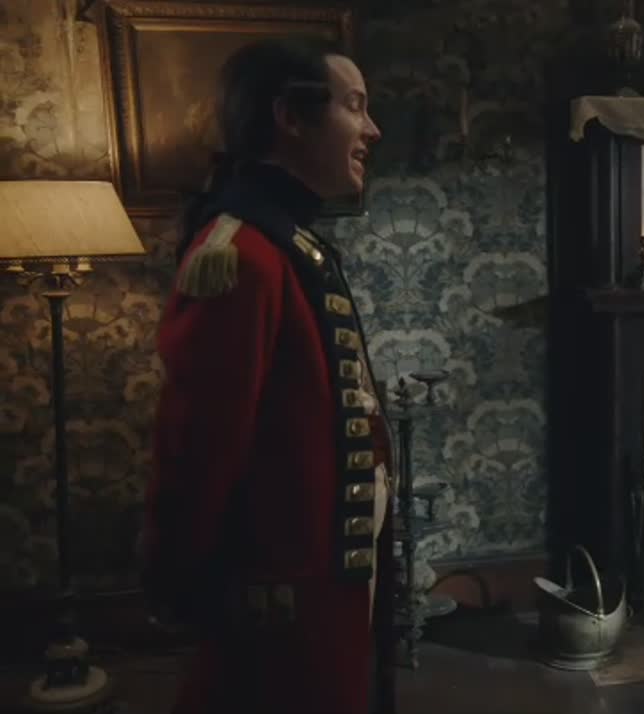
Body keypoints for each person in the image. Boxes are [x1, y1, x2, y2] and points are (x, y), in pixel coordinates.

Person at [140, 37, 391, 714]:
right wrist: (182, 574)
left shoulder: (287, 241)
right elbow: (199, 447)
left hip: (320, 585)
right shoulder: (241, 254)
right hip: (278, 601)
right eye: (354, 106)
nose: (372, 129)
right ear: (290, 117)